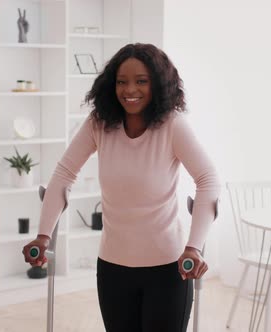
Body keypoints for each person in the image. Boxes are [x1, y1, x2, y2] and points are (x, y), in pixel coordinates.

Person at [22, 43, 220, 332]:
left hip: (168, 268)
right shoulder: (100, 125)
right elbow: (64, 173)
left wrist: (194, 247)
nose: (130, 90)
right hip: (113, 268)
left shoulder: (172, 126)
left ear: (158, 84)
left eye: (141, 81)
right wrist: (42, 235)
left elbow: (208, 178)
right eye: (122, 81)